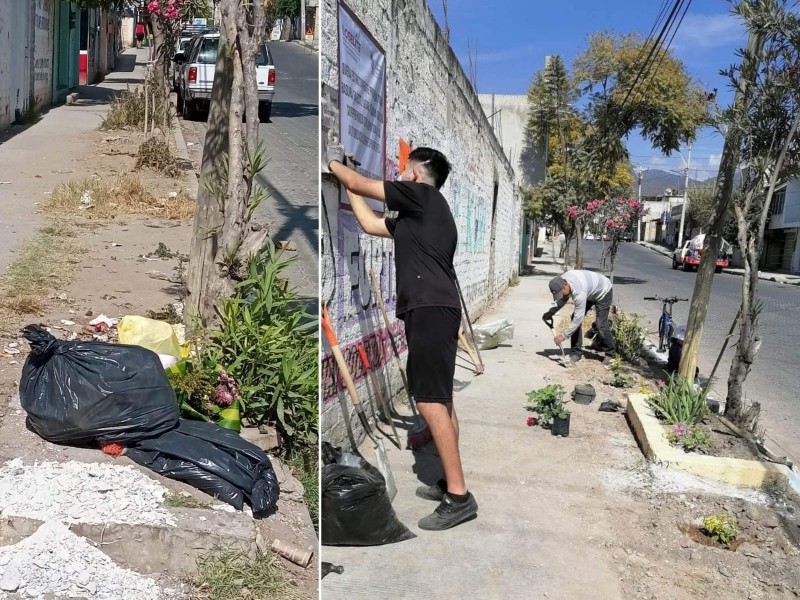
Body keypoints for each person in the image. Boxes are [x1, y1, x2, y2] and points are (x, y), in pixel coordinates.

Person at [326, 141, 478, 531]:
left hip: (430, 309)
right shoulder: (420, 215)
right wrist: (347, 189)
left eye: (403, 168)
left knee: (428, 402)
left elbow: (361, 182)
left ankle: (459, 497)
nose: (398, 173)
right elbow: (370, 224)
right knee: (440, 400)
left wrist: (331, 163)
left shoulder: (423, 195)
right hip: (433, 309)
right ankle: (450, 482)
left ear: (415, 173)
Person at [543, 270, 617, 365]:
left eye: (561, 293)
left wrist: (563, 336)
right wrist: (551, 312)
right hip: (590, 291)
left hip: (603, 291)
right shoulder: (562, 281)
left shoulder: (579, 292)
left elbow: (578, 319)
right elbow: (564, 298)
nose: (562, 296)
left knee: (600, 324)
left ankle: (611, 354)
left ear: (565, 285)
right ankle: (576, 353)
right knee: (574, 316)